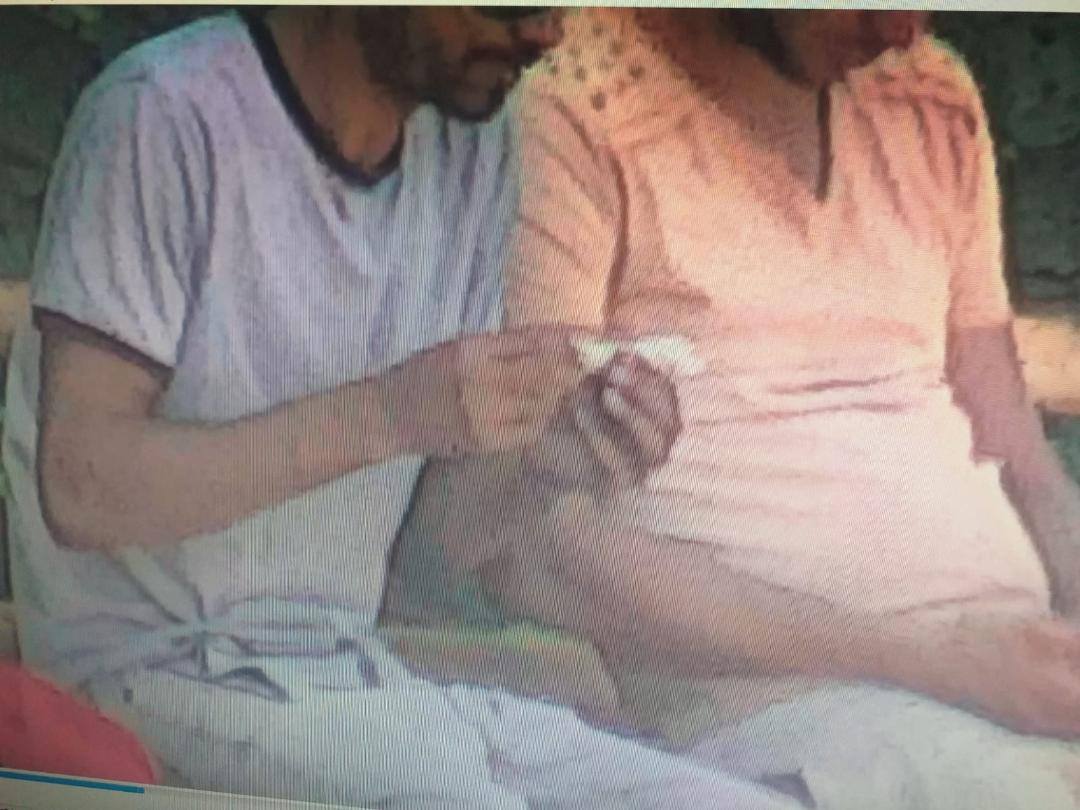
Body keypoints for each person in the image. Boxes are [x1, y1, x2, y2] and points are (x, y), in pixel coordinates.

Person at [1, 6, 799, 808]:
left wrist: (547, 461)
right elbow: (82, 488)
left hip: (352, 673)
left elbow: (429, 555)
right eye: (511, 6)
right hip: (147, 679)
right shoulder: (164, 112)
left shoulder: (475, 151)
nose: (546, 36)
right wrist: (391, 413)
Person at [394, 8, 1080, 808]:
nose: (902, 28)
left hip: (1011, 678)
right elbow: (529, 546)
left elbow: (1023, 457)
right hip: (788, 708)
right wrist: (946, 663)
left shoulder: (929, 92)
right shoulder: (570, 106)